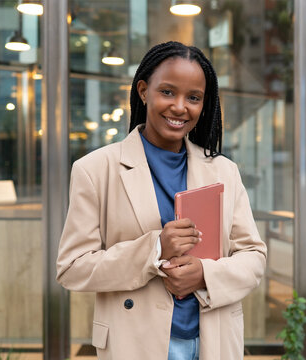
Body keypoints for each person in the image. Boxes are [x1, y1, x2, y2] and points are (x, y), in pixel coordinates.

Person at [56, 41, 267, 360]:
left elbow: (253, 256)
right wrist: (154, 249)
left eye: (193, 97)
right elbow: (72, 268)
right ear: (143, 91)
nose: (180, 107)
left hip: (213, 340)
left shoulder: (224, 171)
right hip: (135, 342)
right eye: (167, 92)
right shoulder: (95, 170)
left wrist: (205, 276)